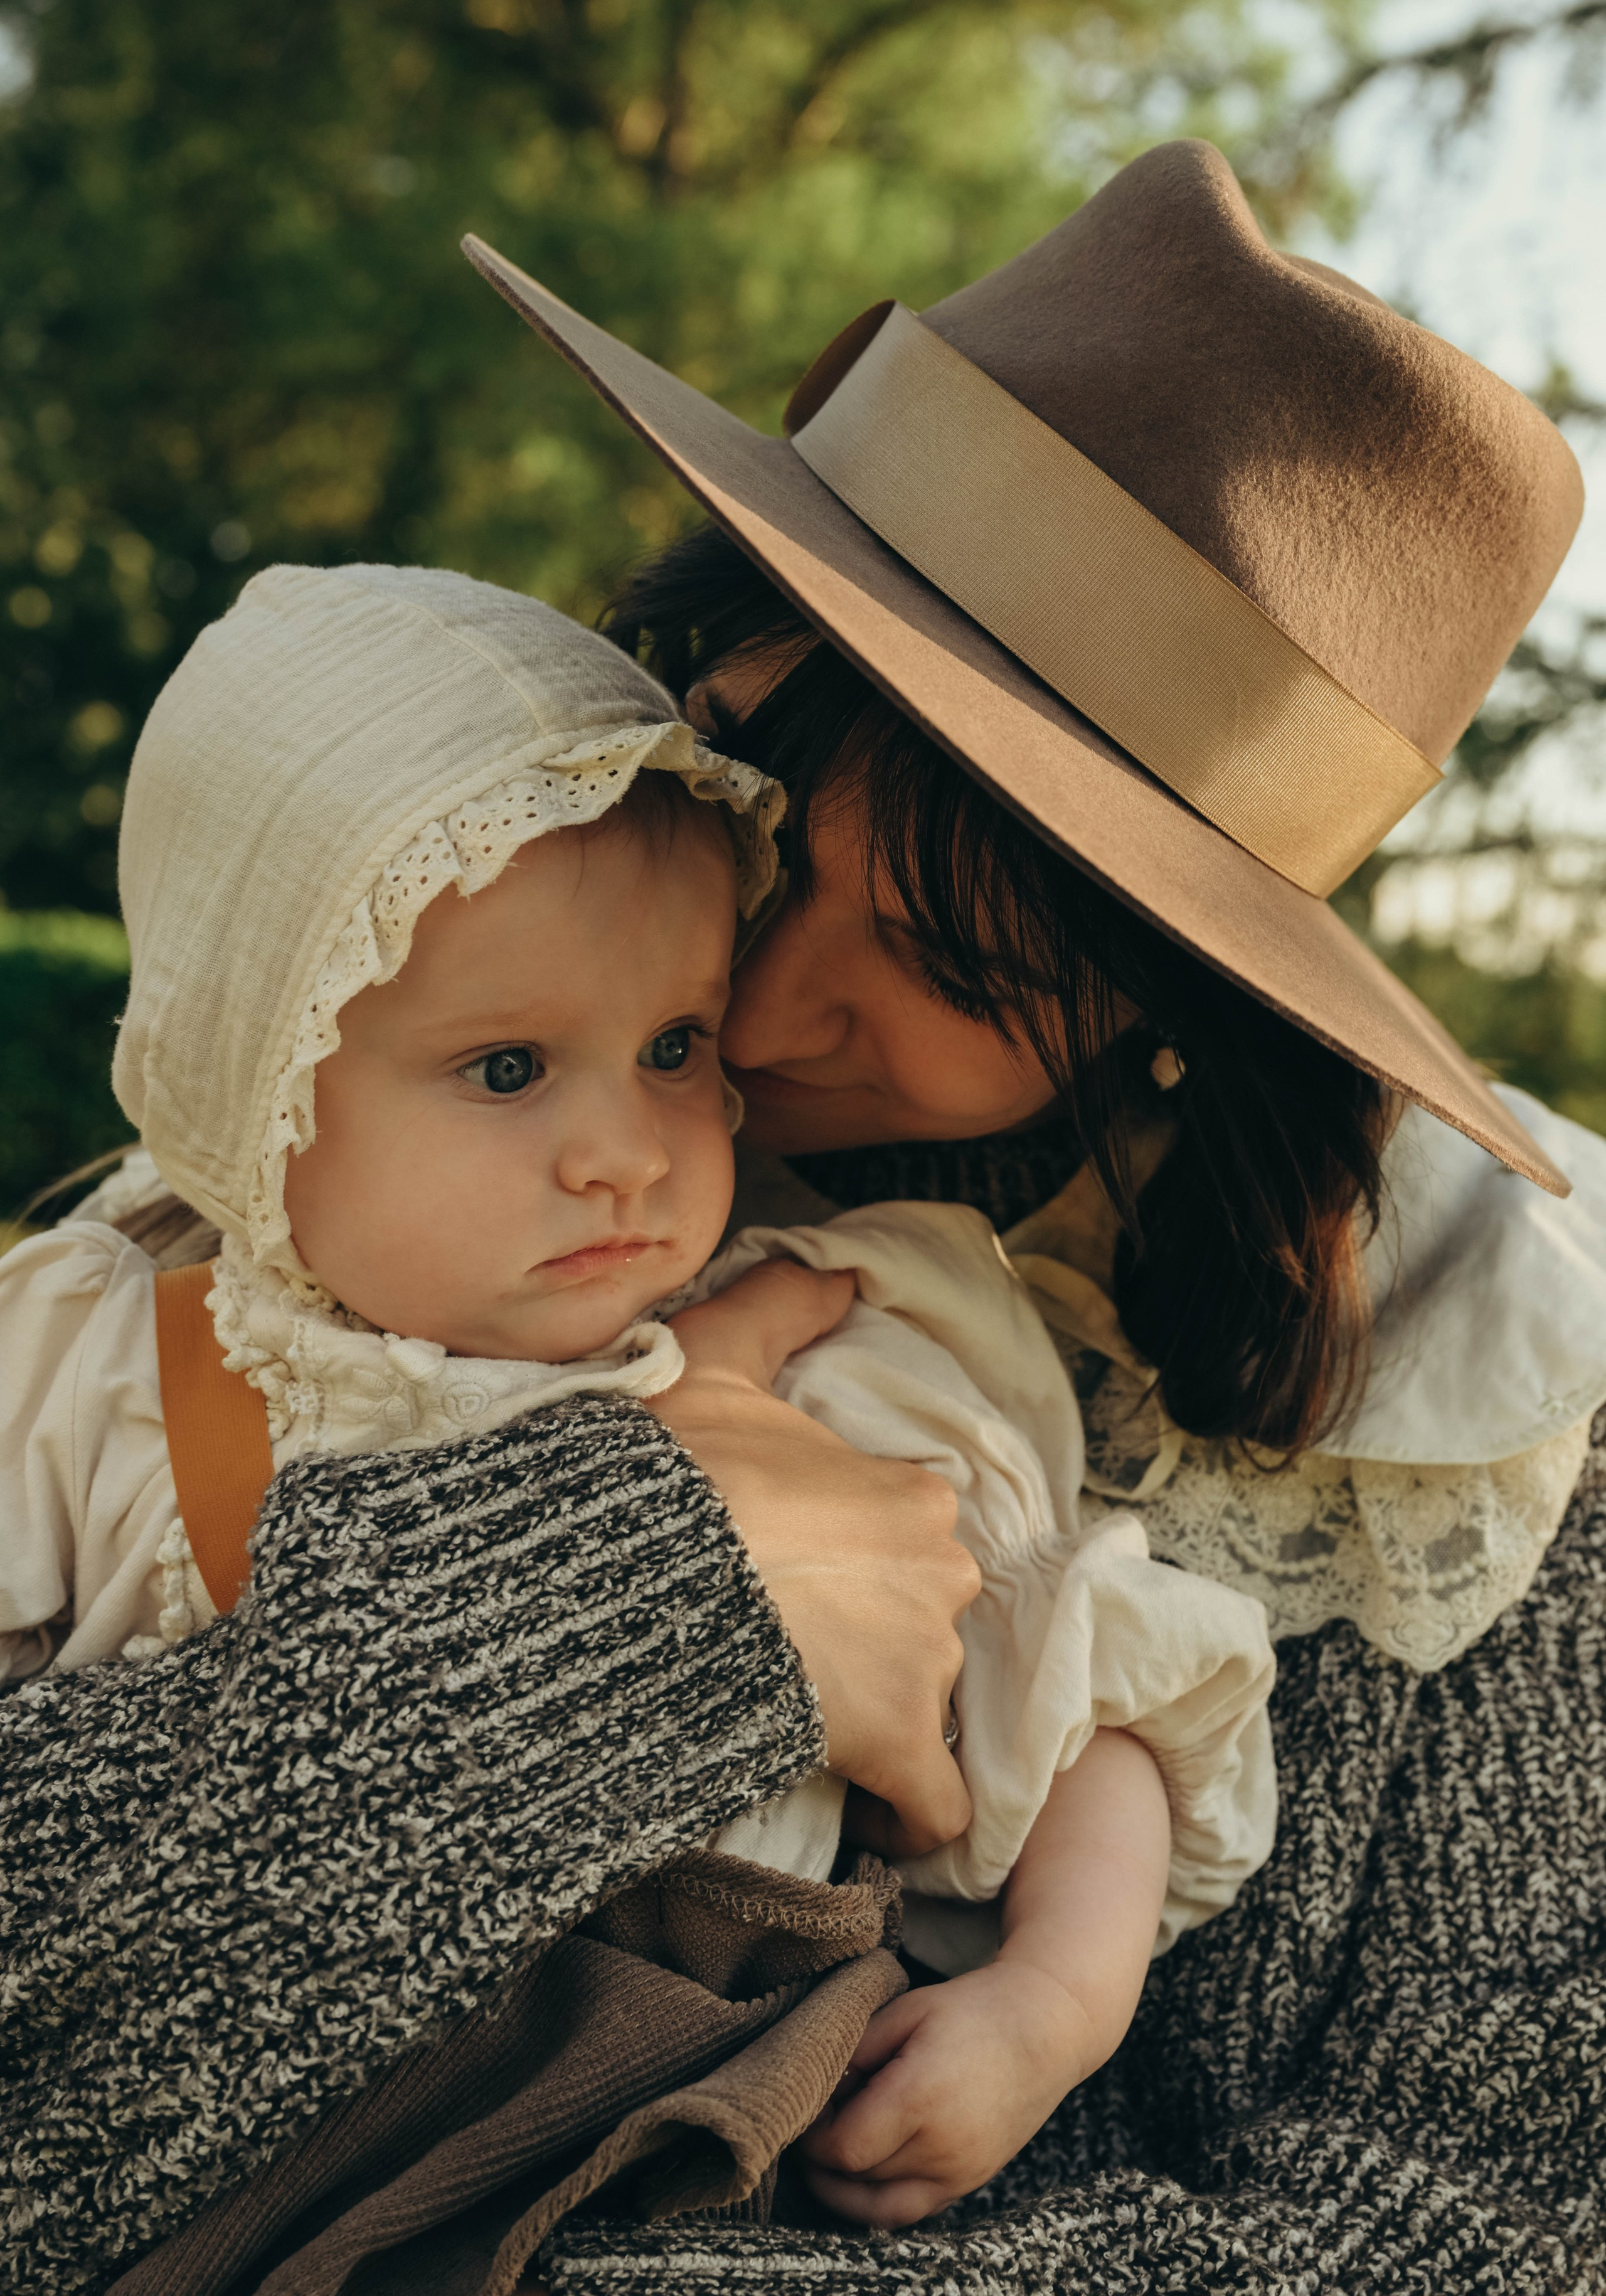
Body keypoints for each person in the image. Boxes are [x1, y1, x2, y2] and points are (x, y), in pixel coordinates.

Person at [6, 136, 1606, 2292]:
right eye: (745, 775)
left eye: (954, 971)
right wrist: (629, 1606)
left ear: (1167, 1030)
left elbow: (1471, 2226)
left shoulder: (1489, 1448)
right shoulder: (315, 1162)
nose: (747, 994)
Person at [0, 559, 1275, 2253]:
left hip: (683, 2127)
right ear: (257, 1079)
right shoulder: (102, 1362)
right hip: (219, 2149)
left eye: (673, 1048)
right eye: (510, 1070)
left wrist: (1055, 1996)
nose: (628, 1147)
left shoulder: (822, 1337)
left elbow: (1088, 1681)